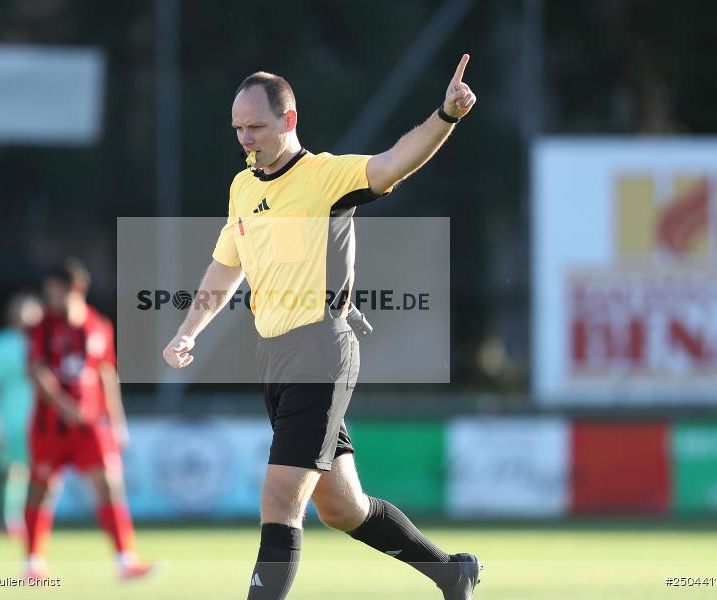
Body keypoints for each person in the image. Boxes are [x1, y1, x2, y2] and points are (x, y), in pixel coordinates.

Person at [162, 56, 480, 599]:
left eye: (255, 126)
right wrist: (189, 329)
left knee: (279, 498)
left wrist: (445, 116)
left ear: (288, 121)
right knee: (342, 507)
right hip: (274, 358)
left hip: (321, 350)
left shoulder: (324, 176)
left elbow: (393, 163)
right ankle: (451, 572)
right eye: (238, 128)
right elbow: (227, 264)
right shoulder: (243, 187)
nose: (245, 138)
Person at [25, 258, 151, 580]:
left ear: (76, 289)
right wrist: (64, 405)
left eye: (55, 291)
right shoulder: (42, 327)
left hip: (90, 426)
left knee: (109, 484)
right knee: (42, 489)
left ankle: (125, 560)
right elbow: (37, 371)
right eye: (47, 292)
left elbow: (107, 373)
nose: (50, 298)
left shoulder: (98, 325)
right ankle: (33, 564)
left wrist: (117, 421)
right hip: (49, 427)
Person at [0, 293, 44, 538]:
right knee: (12, 470)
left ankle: (34, 519)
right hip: (9, 418)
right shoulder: (0, 344)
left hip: (40, 419)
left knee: (39, 471)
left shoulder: (45, 341)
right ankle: (11, 519)